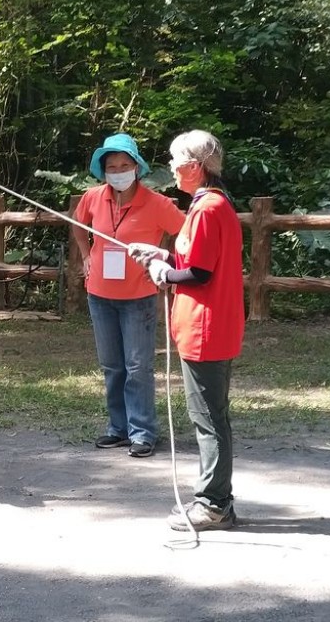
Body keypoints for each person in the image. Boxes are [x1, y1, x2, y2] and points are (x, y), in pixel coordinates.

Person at [129, 130, 244, 531]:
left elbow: (198, 272)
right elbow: (193, 257)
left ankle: (213, 504)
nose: (172, 168)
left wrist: (165, 272)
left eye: (176, 160)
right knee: (212, 416)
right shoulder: (210, 205)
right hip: (208, 325)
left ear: (195, 167)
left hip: (206, 328)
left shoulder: (208, 208)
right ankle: (217, 500)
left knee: (209, 419)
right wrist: (162, 255)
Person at [74, 133, 185, 459]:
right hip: (100, 294)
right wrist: (86, 255)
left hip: (138, 296)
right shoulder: (93, 197)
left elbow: (185, 232)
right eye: (112, 166)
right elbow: (78, 225)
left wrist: (165, 260)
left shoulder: (157, 203)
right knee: (113, 365)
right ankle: (118, 429)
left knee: (138, 366)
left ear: (136, 167)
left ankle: (142, 432)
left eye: (124, 165)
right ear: (103, 170)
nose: (118, 171)